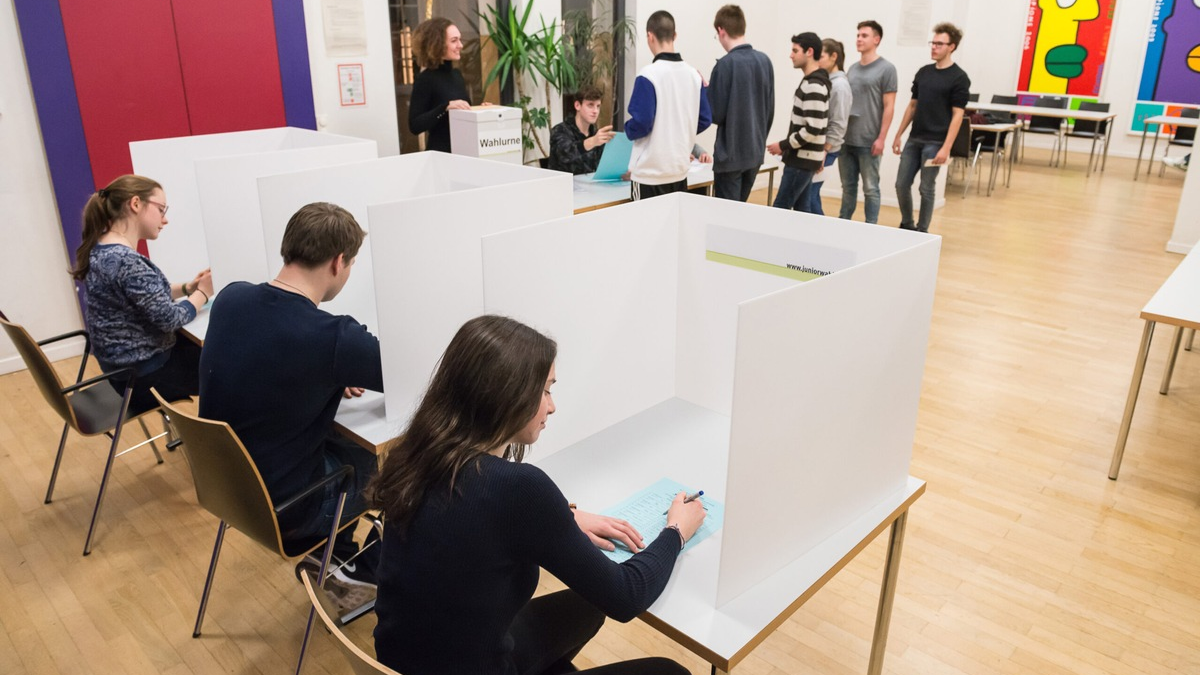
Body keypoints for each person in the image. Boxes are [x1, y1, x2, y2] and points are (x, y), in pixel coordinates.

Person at [370, 315, 705, 675]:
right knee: (672, 671)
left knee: (587, 605)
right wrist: (676, 531)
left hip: (406, 660)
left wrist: (564, 515)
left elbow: (471, 519)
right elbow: (626, 597)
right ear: (506, 394)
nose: (552, 405)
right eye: (545, 390)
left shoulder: (416, 454)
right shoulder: (518, 489)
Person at [199, 202, 383, 596]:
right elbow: (405, 372)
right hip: (291, 511)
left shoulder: (231, 299)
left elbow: (268, 363)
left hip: (229, 490)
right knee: (404, 469)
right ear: (338, 262)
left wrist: (331, 377)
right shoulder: (333, 337)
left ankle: (336, 553)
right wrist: (339, 364)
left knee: (347, 448)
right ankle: (358, 568)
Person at [71, 174, 212, 416]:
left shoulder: (103, 249)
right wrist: (203, 294)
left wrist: (188, 288)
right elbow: (169, 318)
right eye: (161, 209)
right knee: (231, 366)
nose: (165, 219)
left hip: (122, 372)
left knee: (214, 354)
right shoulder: (127, 261)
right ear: (136, 204)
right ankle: (225, 440)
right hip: (146, 376)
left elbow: (144, 297)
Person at [892, 22, 971, 233]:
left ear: (951, 46)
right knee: (901, 184)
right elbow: (913, 105)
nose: (934, 47)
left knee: (926, 188)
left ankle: (922, 230)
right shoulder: (924, 72)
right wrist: (899, 134)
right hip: (915, 138)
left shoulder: (959, 78)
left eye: (939, 43)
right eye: (932, 42)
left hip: (935, 142)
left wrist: (946, 147)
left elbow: (957, 115)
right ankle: (907, 224)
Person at [626, 10, 713, 200]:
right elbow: (705, 119)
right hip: (679, 171)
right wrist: (679, 131)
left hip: (649, 174)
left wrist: (627, 129)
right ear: (675, 36)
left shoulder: (648, 75)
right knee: (673, 226)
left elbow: (641, 123)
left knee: (646, 227)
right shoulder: (693, 75)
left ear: (650, 36)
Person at [707, 4, 774, 202]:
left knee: (725, 217)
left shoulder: (725, 65)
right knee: (740, 214)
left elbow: (716, 113)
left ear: (721, 30)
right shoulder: (765, 61)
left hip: (730, 156)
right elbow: (769, 111)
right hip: (754, 153)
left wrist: (707, 91)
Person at [839, 20, 898, 224]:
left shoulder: (887, 69)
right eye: (858, 35)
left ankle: (871, 227)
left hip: (869, 140)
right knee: (848, 188)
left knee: (871, 189)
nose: (859, 39)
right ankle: (843, 223)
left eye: (864, 35)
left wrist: (881, 138)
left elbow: (889, 106)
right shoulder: (853, 69)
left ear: (876, 39)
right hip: (847, 140)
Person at [767, 32, 829, 212]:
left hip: (801, 161)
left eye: (795, 50)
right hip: (805, 159)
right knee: (803, 210)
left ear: (809, 52)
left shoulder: (814, 85)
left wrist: (783, 145)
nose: (791, 55)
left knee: (781, 208)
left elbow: (813, 128)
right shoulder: (813, 82)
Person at [409, 18, 471, 153]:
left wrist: (482, 110)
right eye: (454, 41)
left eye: (460, 40)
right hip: (440, 155)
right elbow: (415, 125)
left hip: (463, 152)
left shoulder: (456, 75)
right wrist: (445, 108)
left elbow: (464, 112)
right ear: (437, 44)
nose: (460, 45)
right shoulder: (425, 79)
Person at [806, 38, 852, 215]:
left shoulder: (839, 86)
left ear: (834, 57)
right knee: (809, 193)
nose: (817, 60)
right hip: (821, 147)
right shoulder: (829, 82)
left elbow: (838, 123)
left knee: (810, 194)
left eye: (821, 56)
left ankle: (819, 233)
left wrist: (824, 151)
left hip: (827, 149)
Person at [548, 86, 615, 175]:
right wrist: (593, 141)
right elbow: (564, 154)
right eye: (590, 105)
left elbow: (604, 166)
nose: (595, 111)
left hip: (590, 185)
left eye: (598, 106)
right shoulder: (560, 130)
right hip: (563, 186)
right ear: (577, 105)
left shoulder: (596, 134)